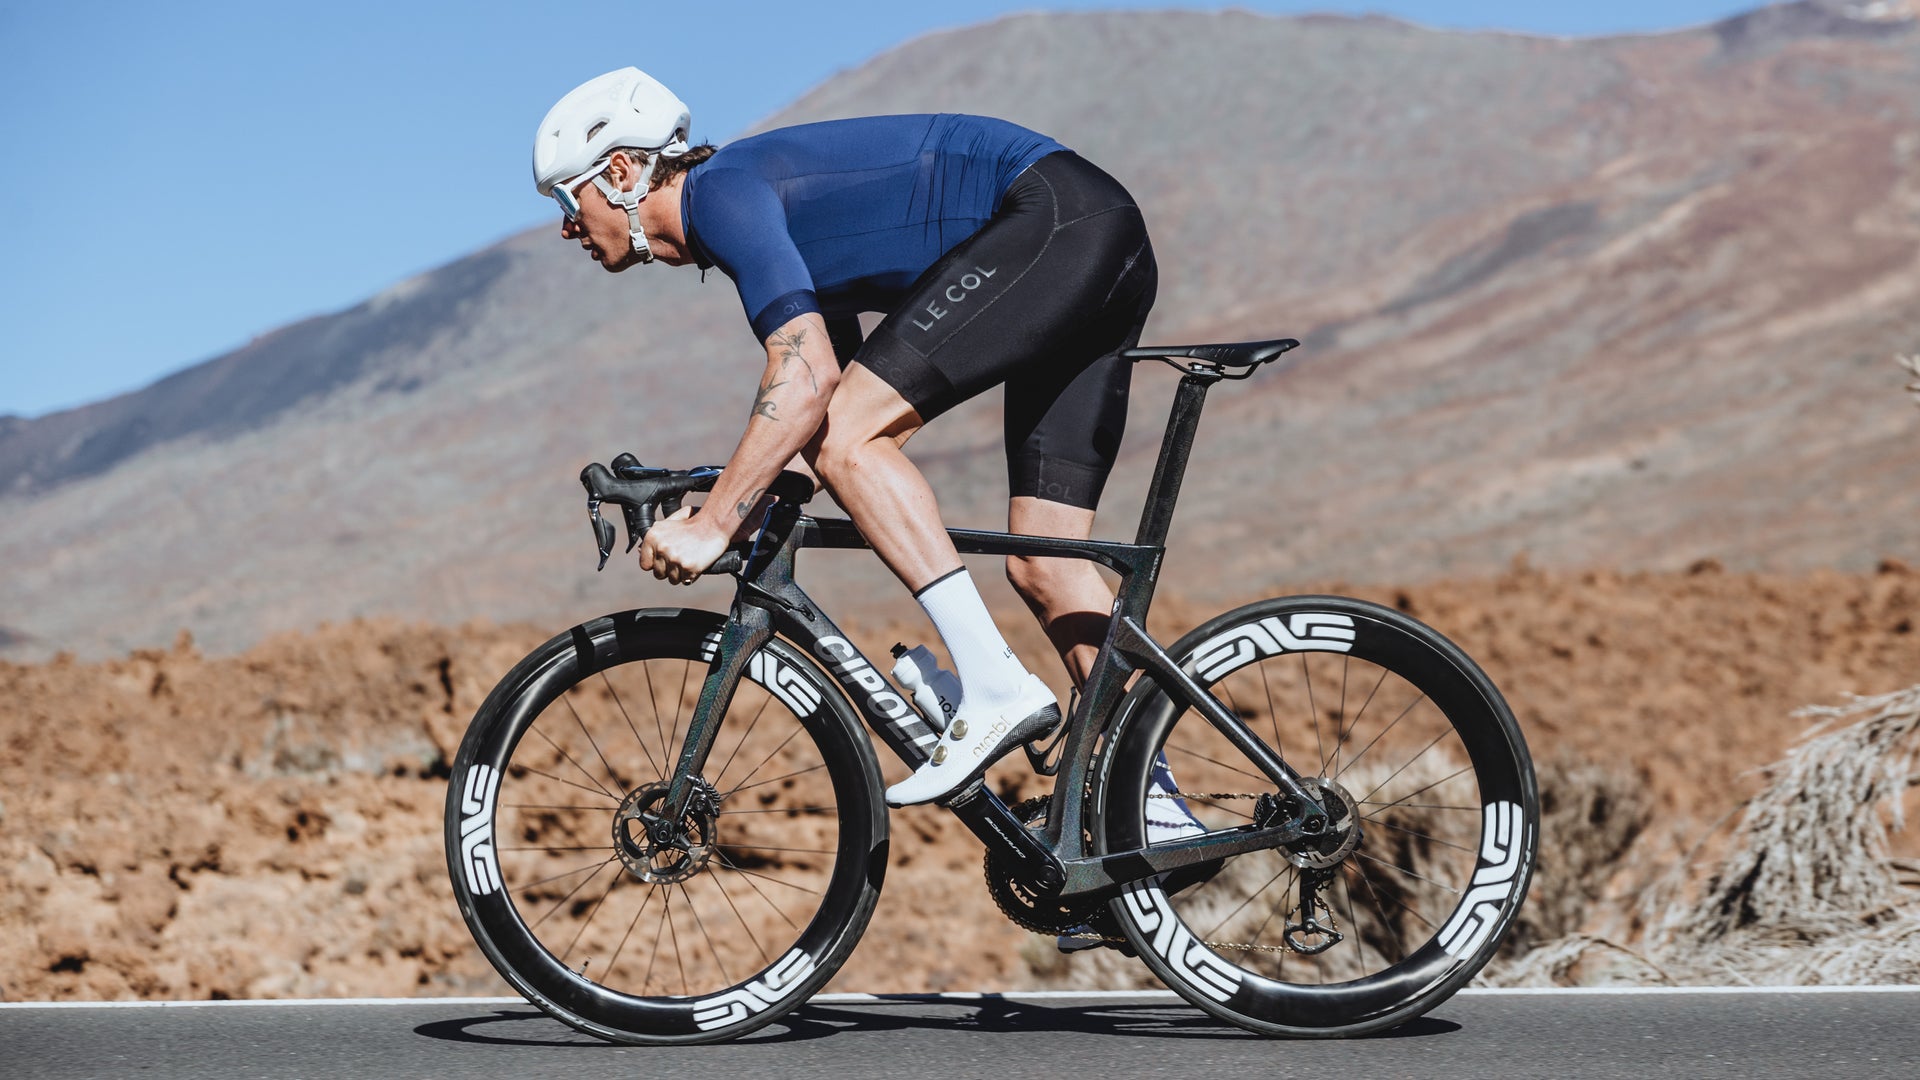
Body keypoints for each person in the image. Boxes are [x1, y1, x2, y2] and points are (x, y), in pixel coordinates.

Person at [532, 68, 1158, 809]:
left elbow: (807, 385)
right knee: (1046, 566)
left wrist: (714, 521)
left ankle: (993, 682)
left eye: (569, 203)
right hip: (1090, 231)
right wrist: (753, 507)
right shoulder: (766, 219)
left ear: (622, 171)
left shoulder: (724, 195)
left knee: (854, 443)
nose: (567, 228)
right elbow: (810, 412)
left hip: (1054, 221)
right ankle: (1155, 809)